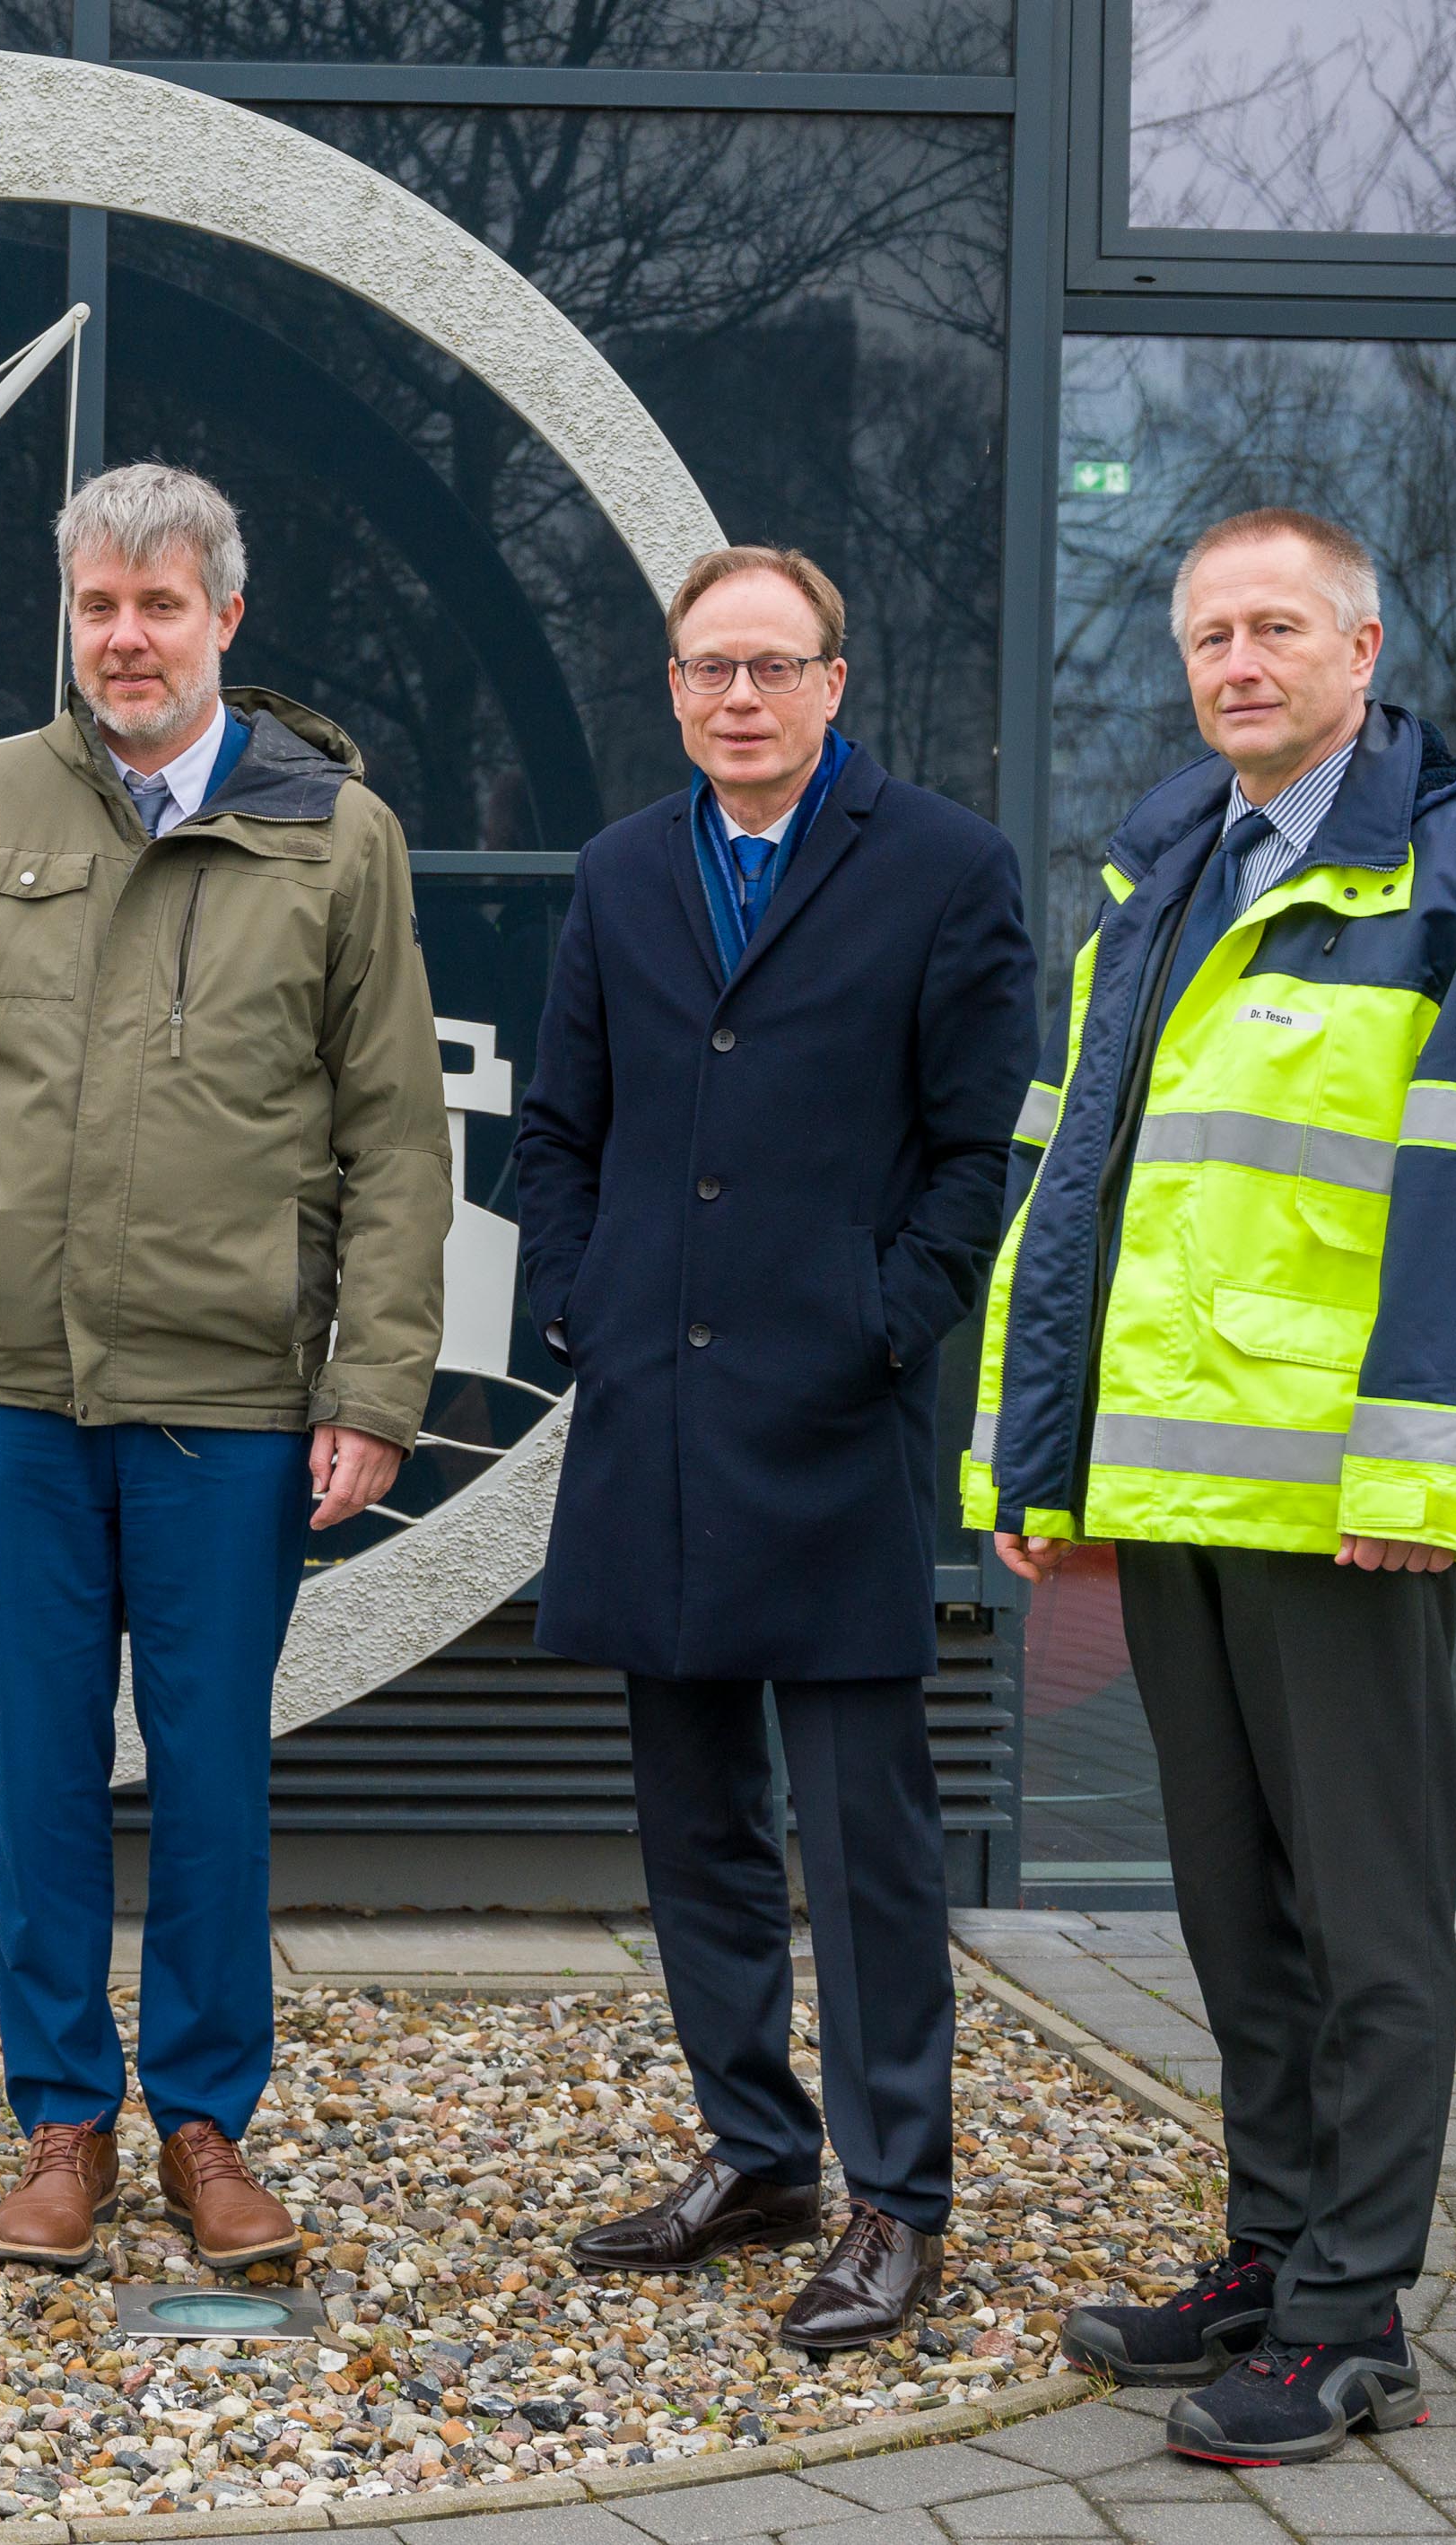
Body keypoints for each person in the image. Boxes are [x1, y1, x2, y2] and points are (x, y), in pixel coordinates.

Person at [972, 508, 1456, 2463]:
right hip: (1171, 1495)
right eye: (1205, 634)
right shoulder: (1159, 874)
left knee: (1365, 1917)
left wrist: (1416, 1467)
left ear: (1358, 648)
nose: (1234, 662)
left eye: (1272, 629)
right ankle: (1264, 2248)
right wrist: (1037, 1454)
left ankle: (1347, 2315)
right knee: (1239, 1909)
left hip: (1341, 1499)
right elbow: (1070, 1191)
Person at [0, 461, 449, 2270]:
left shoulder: (334, 834)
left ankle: (202, 2124)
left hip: (229, 1403)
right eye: (96, 603)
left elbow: (399, 1138)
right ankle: (57, 2124)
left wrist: (372, 1383)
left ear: (224, 622)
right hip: (13, 1382)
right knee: (34, 1761)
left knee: (205, 1771)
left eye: (158, 603)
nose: (124, 635)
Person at [511, 546, 1037, 2349]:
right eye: (705, 666)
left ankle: (897, 2194)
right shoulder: (619, 872)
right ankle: (758, 2149)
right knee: (695, 1823)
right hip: (653, 1410)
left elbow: (976, 1151)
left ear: (832, 679)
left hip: (834, 1420)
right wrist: (573, 1309)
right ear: (670, 689)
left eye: (770, 664)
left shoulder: (946, 868)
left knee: (861, 1833)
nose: (737, 694)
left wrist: (881, 1321)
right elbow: (556, 1127)